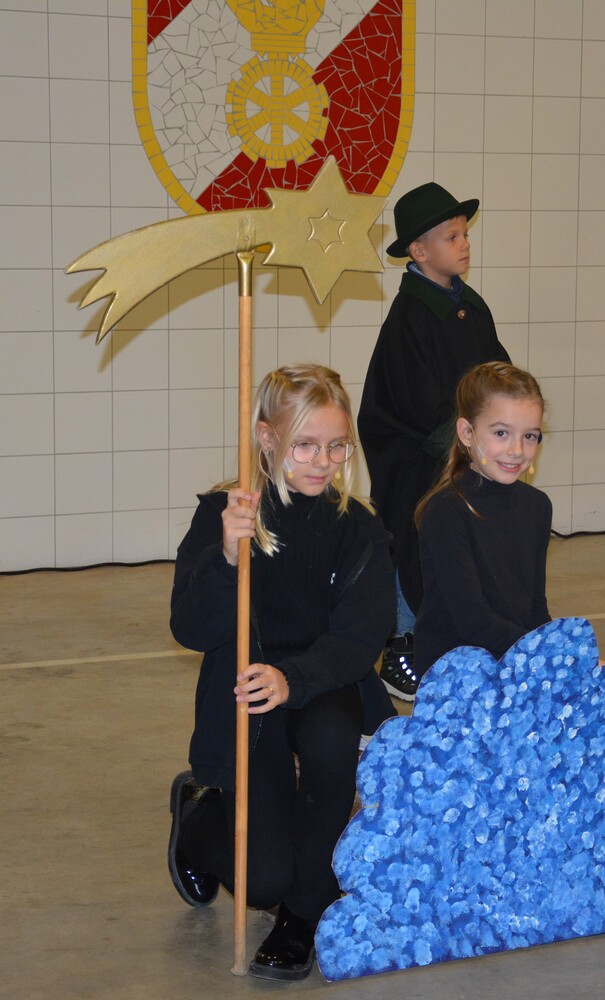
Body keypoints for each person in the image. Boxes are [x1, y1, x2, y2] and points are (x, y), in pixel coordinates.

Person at [167, 364, 394, 981]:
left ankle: (302, 914)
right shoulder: (226, 514)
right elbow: (189, 627)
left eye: (337, 446)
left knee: (332, 737)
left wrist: (294, 678)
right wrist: (225, 557)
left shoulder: (359, 528)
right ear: (266, 438)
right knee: (263, 878)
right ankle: (197, 820)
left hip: (323, 682)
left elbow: (361, 637)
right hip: (248, 693)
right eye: (305, 446)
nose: (324, 462)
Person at [414, 362, 605, 729]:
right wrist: (559, 658)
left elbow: (534, 609)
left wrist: (571, 662)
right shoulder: (446, 511)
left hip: (523, 661)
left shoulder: (536, 507)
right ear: (466, 432)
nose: (516, 450)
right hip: (462, 673)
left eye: (530, 436)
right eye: (501, 433)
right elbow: (474, 621)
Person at [358, 182, 510, 704]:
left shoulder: (472, 307)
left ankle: (463, 638)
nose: (464, 244)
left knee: (461, 546)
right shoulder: (410, 317)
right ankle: (402, 643)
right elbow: (418, 403)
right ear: (418, 252)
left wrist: (504, 426)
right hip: (413, 457)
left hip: (461, 451)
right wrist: (469, 442)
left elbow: (497, 375)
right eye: (452, 237)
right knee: (414, 539)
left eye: (464, 234)